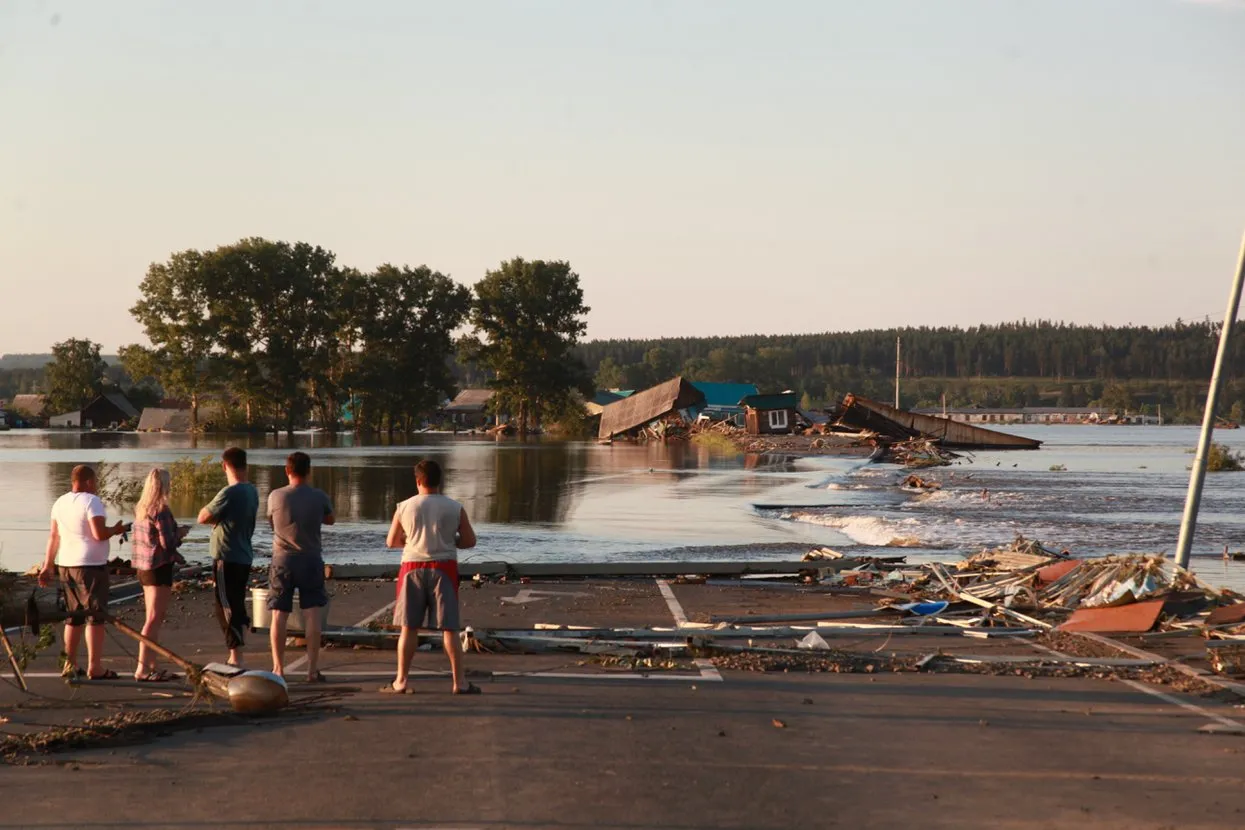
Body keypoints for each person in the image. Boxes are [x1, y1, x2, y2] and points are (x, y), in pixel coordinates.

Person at [382, 459, 479, 695]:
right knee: (450, 629)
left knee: (409, 628)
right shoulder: (454, 507)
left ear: (418, 481)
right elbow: (469, 541)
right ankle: (459, 682)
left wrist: (412, 540)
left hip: (412, 566)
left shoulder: (404, 506)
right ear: (439, 481)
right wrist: (449, 540)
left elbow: (391, 541)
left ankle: (401, 680)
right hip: (443, 567)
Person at [38, 465, 127, 680]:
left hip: (67, 564)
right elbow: (99, 534)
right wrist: (116, 530)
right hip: (90, 565)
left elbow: (54, 536)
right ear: (88, 482)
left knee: (74, 616)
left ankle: (70, 664)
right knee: (95, 616)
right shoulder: (91, 501)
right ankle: (94, 667)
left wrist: (48, 565)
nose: (96, 486)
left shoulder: (60, 502)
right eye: (95, 482)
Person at [266, 451, 334, 681]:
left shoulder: (276, 496)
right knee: (312, 614)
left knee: (279, 614)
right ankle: (312, 669)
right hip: (311, 558)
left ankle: (278, 668)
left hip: (282, 559)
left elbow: (271, 522)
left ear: (288, 470)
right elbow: (330, 520)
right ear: (308, 471)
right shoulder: (319, 496)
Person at [198, 447, 259, 667]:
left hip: (226, 554)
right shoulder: (252, 491)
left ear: (225, 466)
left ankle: (236, 656)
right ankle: (239, 648)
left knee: (225, 605)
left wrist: (216, 520)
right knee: (237, 602)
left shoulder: (229, 492)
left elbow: (202, 516)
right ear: (246, 466)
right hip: (244, 553)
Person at [130, 467, 189, 681]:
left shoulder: (141, 509)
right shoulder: (161, 509)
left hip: (143, 567)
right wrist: (180, 533)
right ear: (164, 485)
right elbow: (167, 542)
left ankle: (151, 665)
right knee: (154, 618)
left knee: (152, 617)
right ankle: (143, 668)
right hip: (158, 568)